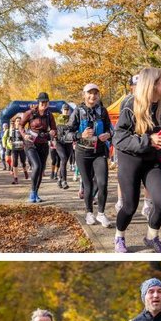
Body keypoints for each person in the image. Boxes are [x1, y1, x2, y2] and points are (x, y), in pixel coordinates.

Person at [112, 68, 161, 253]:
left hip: (151, 160)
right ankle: (119, 236)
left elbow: (159, 131)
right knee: (129, 206)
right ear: (152, 84)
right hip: (130, 160)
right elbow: (119, 138)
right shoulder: (131, 104)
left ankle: (151, 237)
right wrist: (148, 140)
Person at [66, 84, 114, 227]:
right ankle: (89, 213)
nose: (93, 96)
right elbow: (66, 134)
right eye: (90, 93)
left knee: (103, 183)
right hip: (83, 153)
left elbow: (112, 130)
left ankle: (101, 213)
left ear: (98, 95)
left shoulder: (103, 111)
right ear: (84, 95)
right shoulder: (77, 111)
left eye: (95, 93)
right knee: (87, 184)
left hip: (99, 152)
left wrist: (108, 135)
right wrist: (81, 135)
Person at [20, 93, 58, 202]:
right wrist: (24, 135)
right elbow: (21, 125)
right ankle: (32, 192)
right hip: (30, 143)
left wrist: (52, 132)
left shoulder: (49, 115)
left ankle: (36, 192)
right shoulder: (30, 113)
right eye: (42, 102)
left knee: (41, 169)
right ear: (38, 102)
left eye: (46, 102)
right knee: (36, 166)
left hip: (43, 143)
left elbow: (54, 129)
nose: (44, 104)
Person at [4, 115, 28, 184]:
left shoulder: (23, 130)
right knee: (14, 162)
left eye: (20, 121)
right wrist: (10, 142)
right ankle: (15, 178)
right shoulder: (12, 130)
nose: (18, 122)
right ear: (15, 123)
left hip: (22, 148)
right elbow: (10, 139)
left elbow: (26, 138)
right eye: (17, 121)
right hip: (14, 148)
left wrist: (25, 143)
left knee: (23, 162)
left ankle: (25, 171)